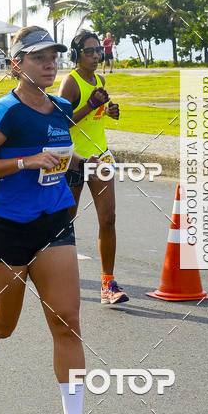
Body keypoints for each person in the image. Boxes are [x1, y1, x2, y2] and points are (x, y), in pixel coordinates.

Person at [0, 26, 107, 414]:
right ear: (16, 65)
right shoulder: (5, 111)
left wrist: (83, 160)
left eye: (53, 55)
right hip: (7, 230)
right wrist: (24, 162)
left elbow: (58, 150)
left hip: (54, 223)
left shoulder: (60, 107)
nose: (49, 62)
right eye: (38, 57)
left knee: (67, 320)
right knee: (3, 325)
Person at [58, 30, 128, 306]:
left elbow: (98, 115)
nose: (97, 55)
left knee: (108, 219)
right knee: (65, 222)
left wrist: (110, 111)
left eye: (98, 50)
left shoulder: (100, 79)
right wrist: (89, 106)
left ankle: (108, 283)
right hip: (74, 159)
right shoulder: (70, 84)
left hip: (100, 156)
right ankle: (55, 272)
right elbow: (61, 125)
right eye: (90, 51)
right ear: (76, 56)